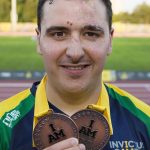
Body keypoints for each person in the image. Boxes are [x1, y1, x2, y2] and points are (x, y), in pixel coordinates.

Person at [0, 0, 150, 149]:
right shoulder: (3, 126)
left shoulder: (146, 121)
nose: (75, 52)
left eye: (91, 33)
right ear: (38, 40)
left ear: (110, 40)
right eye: (59, 34)